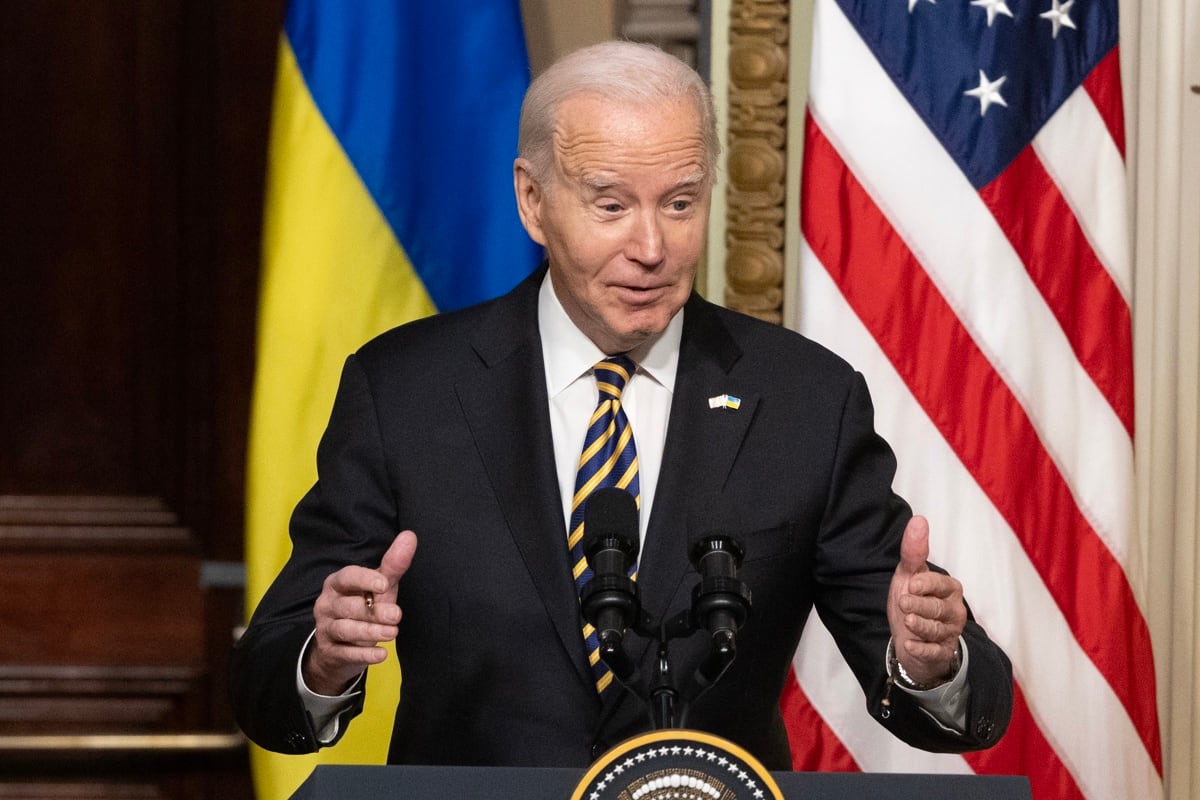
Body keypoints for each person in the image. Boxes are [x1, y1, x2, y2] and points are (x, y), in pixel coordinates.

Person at [231, 40, 1012, 770]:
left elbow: (951, 694)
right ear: (533, 202)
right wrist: (324, 656)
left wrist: (929, 662)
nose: (651, 247)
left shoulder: (807, 399)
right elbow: (269, 685)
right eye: (610, 206)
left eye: (679, 203)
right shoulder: (406, 390)